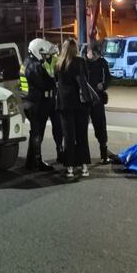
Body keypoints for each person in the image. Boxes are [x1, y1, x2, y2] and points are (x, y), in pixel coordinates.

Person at [55, 38, 91, 178]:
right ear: (75, 49)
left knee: (68, 136)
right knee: (82, 135)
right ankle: (84, 167)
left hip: (64, 104)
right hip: (80, 104)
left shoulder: (58, 64)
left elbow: (56, 82)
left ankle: (69, 167)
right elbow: (84, 81)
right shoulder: (80, 62)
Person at [20, 38, 58, 171]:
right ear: (37, 51)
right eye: (44, 54)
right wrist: (52, 77)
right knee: (37, 134)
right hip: (35, 103)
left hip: (30, 102)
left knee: (35, 133)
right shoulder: (34, 66)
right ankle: (36, 162)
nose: (45, 56)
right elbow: (45, 84)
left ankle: (31, 162)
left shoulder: (27, 63)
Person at [85, 42, 114, 164]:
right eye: (94, 52)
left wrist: (104, 85)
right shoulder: (82, 63)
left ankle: (103, 153)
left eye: (98, 53)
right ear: (88, 52)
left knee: (100, 126)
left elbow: (108, 78)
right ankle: (82, 157)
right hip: (84, 100)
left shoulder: (103, 63)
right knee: (81, 129)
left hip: (97, 100)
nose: (96, 55)